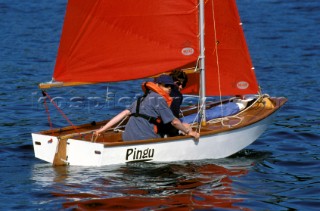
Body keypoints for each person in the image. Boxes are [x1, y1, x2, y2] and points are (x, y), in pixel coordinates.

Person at [94, 74, 199, 141]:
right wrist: (189, 132)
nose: (169, 89)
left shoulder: (141, 99)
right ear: (157, 85)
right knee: (186, 127)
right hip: (144, 140)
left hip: (127, 138)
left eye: (171, 86)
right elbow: (174, 122)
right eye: (166, 86)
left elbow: (122, 114)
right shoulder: (159, 99)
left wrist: (102, 130)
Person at [158, 70, 189, 137]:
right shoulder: (178, 95)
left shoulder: (151, 95)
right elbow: (173, 121)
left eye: (183, 84)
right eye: (178, 84)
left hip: (152, 128)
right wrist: (186, 130)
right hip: (166, 131)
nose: (180, 87)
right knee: (188, 126)